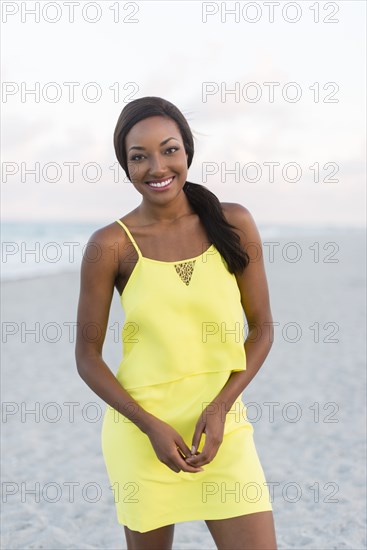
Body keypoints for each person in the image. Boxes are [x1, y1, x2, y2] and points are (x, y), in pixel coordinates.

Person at [75, 96, 278, 550]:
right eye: (138, 156)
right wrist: (148, 425)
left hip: (222, 426)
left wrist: (222, 406)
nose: (156, 166)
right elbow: (87, 358)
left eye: (169, 150)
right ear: (124, 166)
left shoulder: (234, 222)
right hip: (142, 435)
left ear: (187, 152)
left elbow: (262, 328)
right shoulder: (109, 245)